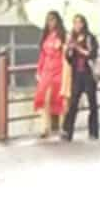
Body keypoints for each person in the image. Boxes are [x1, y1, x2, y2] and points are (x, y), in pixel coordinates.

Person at [62, 14, 100, 141]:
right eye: (75, 23)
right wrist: (69, 49)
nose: (77, 25)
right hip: (77, 74)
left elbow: (92, 54)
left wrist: (78, 48)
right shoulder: (72, 38)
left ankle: (93, 131)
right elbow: (69, 59)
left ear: (84, 24)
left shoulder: (90, 38)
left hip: (88, 74)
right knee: (73, 103)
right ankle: (67, 131)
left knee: (92, 104)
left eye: (79, 22)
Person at [33, 10, 67, 138]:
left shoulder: (63, 36)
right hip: (47, 69)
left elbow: (68, 54)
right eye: (48, 20)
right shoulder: (45, 36)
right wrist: (39, 70)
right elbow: (42, 55)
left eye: (53, 20)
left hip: (59, 69)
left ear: (58, 21)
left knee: (59, 98)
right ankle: (44, 127)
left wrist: (62, 46)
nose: (50, 23)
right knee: (43, 98)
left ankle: (63, 127)